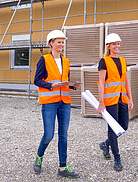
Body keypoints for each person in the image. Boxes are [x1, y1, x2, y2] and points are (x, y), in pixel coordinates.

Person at [33, 29, 80, 178]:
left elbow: (65, 80)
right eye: (58, 42)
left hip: (64, 102)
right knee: (48, 135)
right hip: (49, 102)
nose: (61, 44)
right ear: (51, 43)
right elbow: (37, 80)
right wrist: (51, 85)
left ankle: (62, 168)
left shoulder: (66, 61)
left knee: (63, 136)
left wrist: (72, 85)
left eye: (62, 42)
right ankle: (39, 156)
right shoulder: (44, 60)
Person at [97, 33, 133, 171]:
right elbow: (101, 82)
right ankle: (117, 157)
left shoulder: (123, 61)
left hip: (122, 99)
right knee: (113, 128)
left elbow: (125, 81)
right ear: (109, 46)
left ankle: (106, 144)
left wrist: (130, 98)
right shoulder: (104, 61)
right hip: (110, 100)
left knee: (123, 127)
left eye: (118, 43)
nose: (117, 46)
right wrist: (101, 102)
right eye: (114, 44)